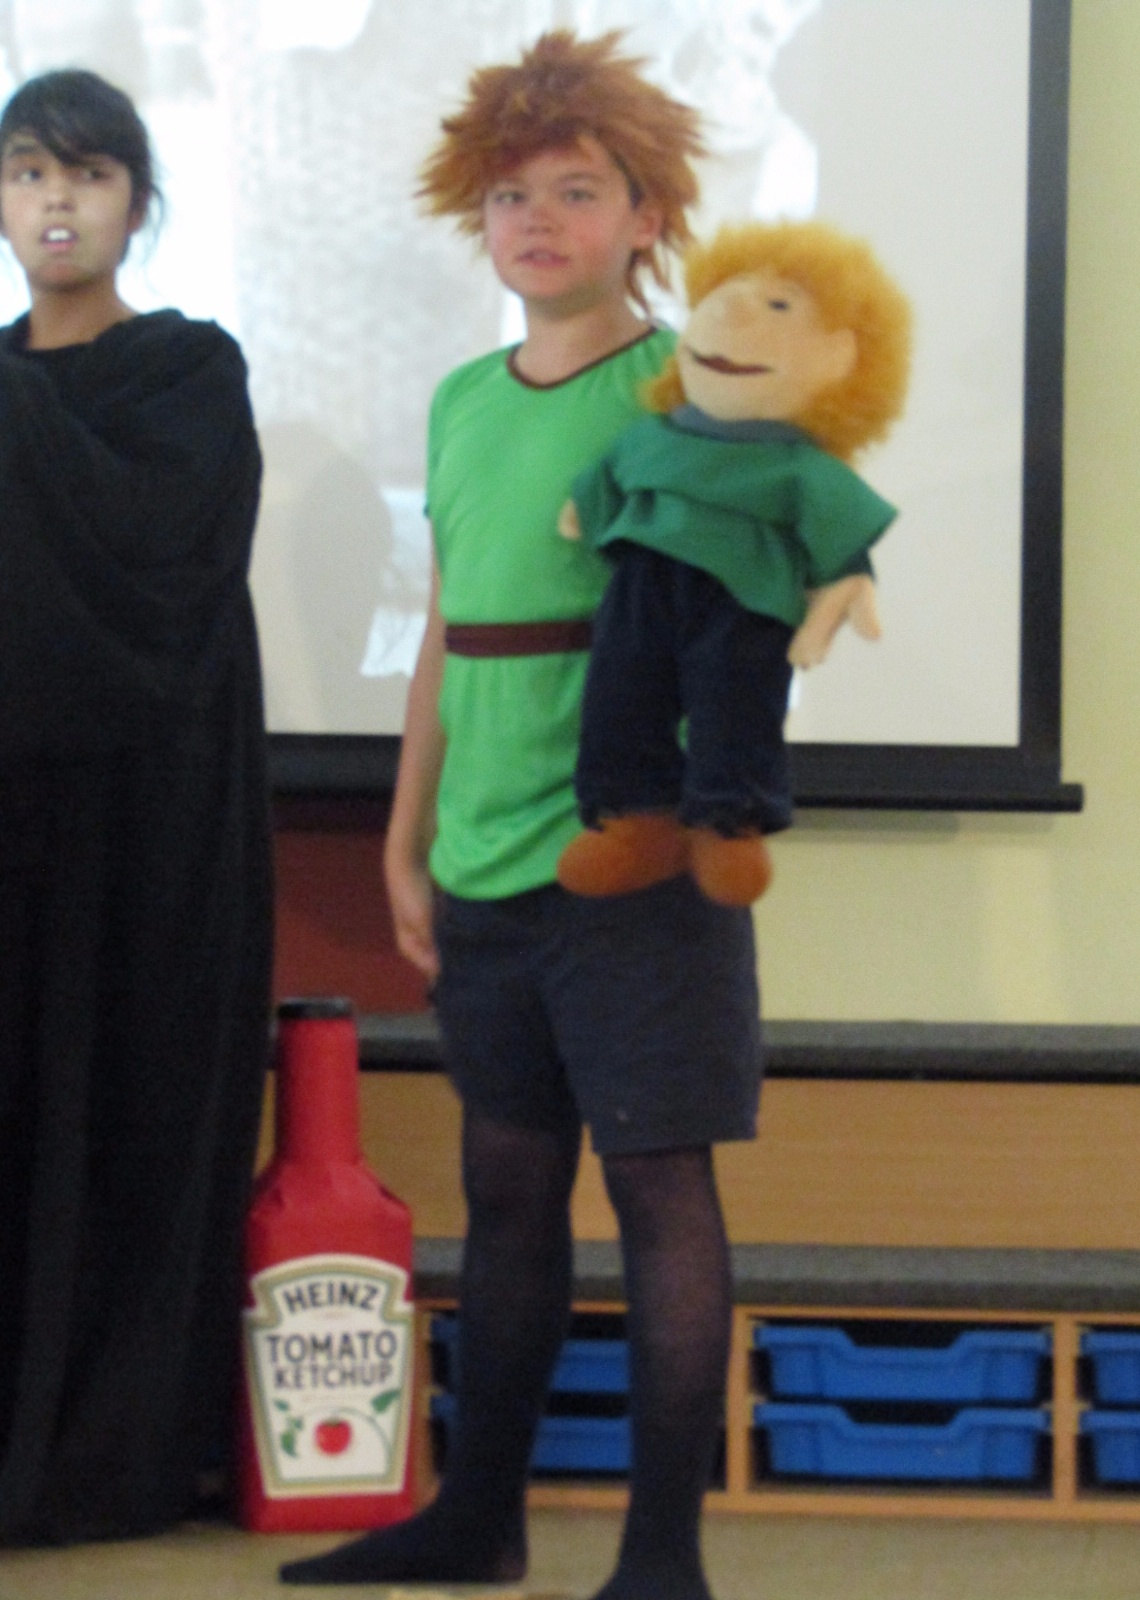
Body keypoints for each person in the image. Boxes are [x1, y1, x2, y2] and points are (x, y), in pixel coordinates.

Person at [279, 30, 742, 1600]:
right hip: (481, 867)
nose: (540, 220)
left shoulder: (687, 392)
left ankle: (664, 1562)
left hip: (635, 864)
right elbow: (447, 631)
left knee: (662, 1194)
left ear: (645, 213)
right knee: (508, 1193)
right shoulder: (465, 401)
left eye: (579, 190)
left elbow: (736, 627)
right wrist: (404, 838)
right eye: (511, 195)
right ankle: (481, 1522)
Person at [0, 70, 272, 1544]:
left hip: (154, 835)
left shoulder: (189, 373)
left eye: (91, 174)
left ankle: (109, 1458)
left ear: (140, 203)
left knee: (132, 1126)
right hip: (15, 833)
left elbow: (155, 573)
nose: (58, 202)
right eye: (29, 172)